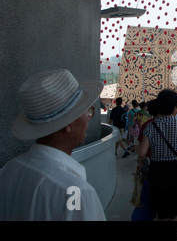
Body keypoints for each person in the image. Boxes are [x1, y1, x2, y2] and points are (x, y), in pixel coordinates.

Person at [0, 69, 106, 220]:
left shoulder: (8, 171)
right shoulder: (74, 192)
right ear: (68, 124)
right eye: (86, 111)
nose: (89, 118)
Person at [138, 89, 177, 221]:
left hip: (157, 171)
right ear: (175, 108)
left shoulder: (150, 126)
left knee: (160, 210)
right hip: (176, 171)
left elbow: (142, 153)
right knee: (176, 210)